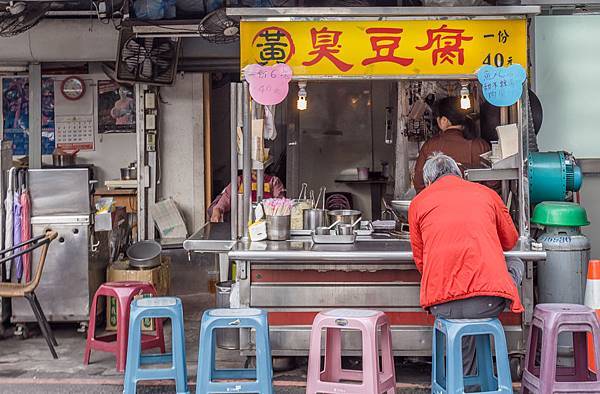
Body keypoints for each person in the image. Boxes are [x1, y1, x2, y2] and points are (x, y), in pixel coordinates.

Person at [409, 152, 524, 375]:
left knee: (461, 314)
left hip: (442, 304)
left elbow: (421, 262)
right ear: (460, 174)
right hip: (488, 302)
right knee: (516, 262)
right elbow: (510, 241)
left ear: (429, 182)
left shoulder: (418, 203)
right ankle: (471, 379)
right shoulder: (487, 194)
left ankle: (465, 380)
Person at [413, 96, 490, 194]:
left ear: (444, 120)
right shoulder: (480, 145)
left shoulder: (430, 146)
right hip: (476, 204)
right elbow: (494, 182)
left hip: (438, 205)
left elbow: (419, 182)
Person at [209, 171, 285, 222]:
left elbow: (280, 206)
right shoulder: (239, 181)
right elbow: (224, 201)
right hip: (241, 223)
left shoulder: (273, 181)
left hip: (265, 223)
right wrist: (217, 211)